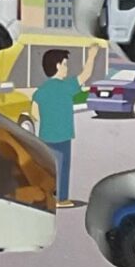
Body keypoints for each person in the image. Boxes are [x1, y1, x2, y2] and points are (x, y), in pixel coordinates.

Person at [31, 47, 86, 205]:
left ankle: (45, 196)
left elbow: (34, 113)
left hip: (45, 136)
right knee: (62, 168)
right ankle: (61, 199)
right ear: (57, 66)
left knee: (48, 167)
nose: (67, 68)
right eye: (65, 64)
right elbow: (85, 75)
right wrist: (92, 55)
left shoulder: (41, 91)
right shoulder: (66, 87)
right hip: (63, 136)